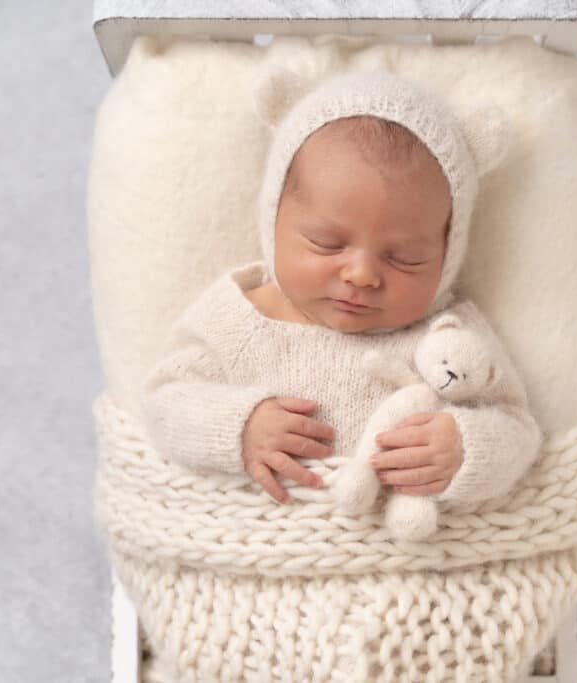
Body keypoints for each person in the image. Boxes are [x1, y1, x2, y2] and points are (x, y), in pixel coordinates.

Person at [139, 68, 542, 511]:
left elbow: (516, 428)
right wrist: (240, 426)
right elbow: (165, 403)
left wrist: (467, 448)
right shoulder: (242, 318)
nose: (362, 275)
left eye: (405, 259)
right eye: (326, 244)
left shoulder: (448, 335)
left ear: (447, 256)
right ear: (275, 223)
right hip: (264, 555)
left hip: (409, 565)